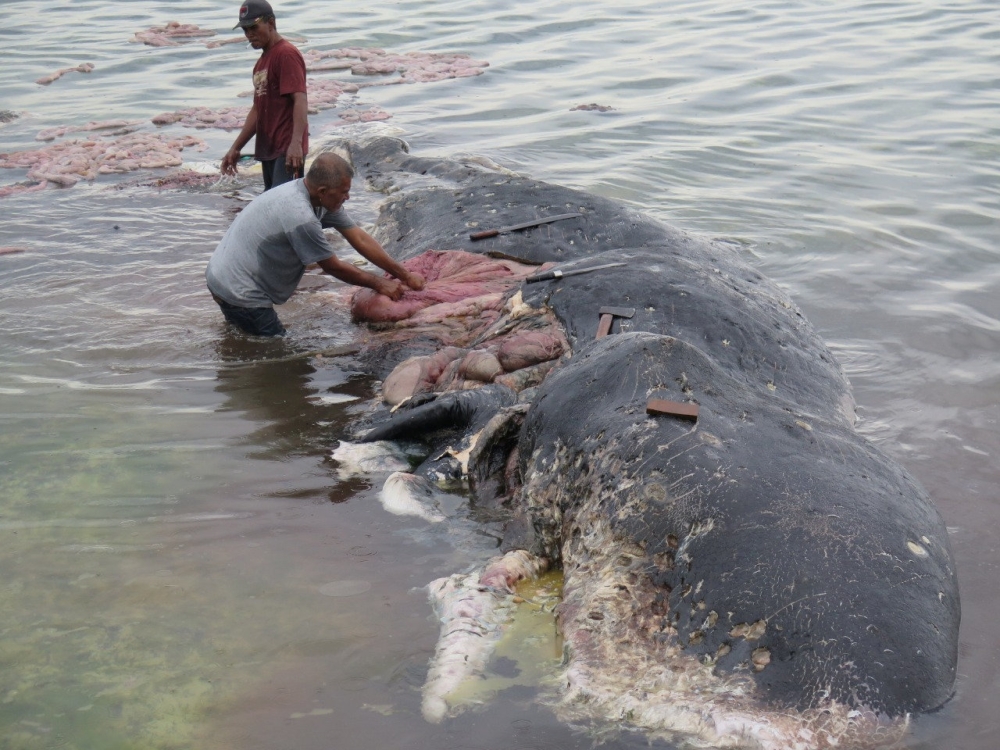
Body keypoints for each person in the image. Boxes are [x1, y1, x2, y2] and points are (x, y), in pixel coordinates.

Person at [206, 152, 426, 336]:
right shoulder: (301, 216)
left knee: (241, 339)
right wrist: (379, 283)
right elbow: (332, 266)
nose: (347, 197)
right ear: (322, 191)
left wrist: (403, 275)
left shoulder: (315, 196)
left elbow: (359, 238)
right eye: (344, 192)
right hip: (240, 289)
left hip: (222, 274)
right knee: (278, 352)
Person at [220, 0, 308, 190]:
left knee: (283, 209)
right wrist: (236, 147)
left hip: (287, 150)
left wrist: (296, 144)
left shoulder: (286, 54)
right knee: (271, 205)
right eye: (245, 30)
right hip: (268, 149)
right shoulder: (261, 63)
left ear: (271, 23)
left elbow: (300, 99)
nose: (249, 35)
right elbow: (257, 110)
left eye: (253, 27)